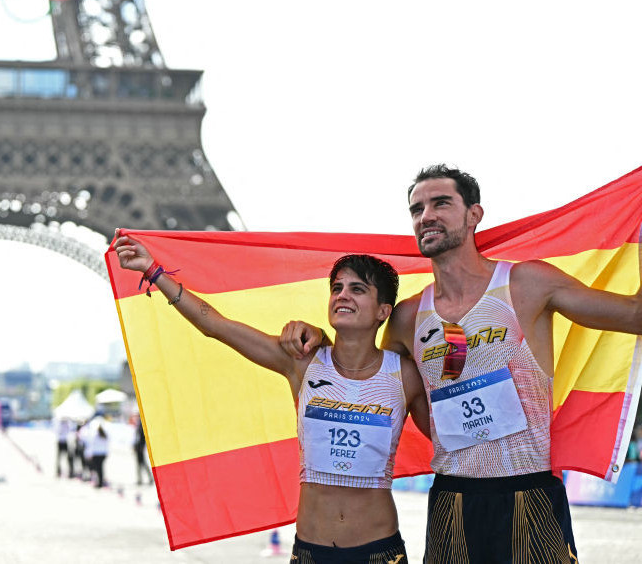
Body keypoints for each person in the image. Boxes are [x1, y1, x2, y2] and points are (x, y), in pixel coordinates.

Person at [281, 164, 642, 563]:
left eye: (441, 203)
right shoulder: (407, 317)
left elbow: (634, 315)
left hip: (529, 492)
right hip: (451, 498)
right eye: (417, 209)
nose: (426, 216)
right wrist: (315, 337)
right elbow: (364, 374)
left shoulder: (526, 285)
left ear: (475, 214)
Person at [115, 234, 429, 563]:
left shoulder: (406, 376)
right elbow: (216, 325)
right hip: (312, 551)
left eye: (357, 289)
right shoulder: (302, 362)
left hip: (379, 552)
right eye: (337, 288)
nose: (342, 296)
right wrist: (153, 271)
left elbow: (447, 436)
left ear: (383, 311)